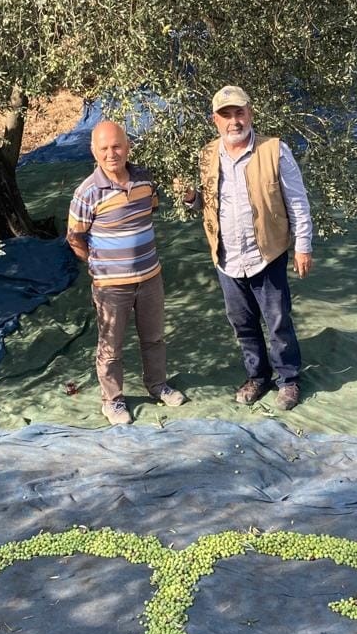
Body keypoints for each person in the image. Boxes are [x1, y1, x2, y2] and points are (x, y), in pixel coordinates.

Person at [182, 85, 313, 410]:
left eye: (239, 112)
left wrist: (303, 245)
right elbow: (204, 205)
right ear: (215, 120)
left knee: (278, 320)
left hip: (265, 255)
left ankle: (289, 379)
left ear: (250, 113)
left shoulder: (274, 150)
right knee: (242, 323)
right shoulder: (206, 155)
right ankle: (257, 376)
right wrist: (190, 198)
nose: (234, 121)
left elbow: (297, 201)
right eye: (226, 115)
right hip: (227, 258)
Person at [66, 120, 185, 425]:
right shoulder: (87, 193)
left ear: (128, 146)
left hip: (149, 277)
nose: (111, 153)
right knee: (111, 346)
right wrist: (97, 267)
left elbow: (149, 211)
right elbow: (74, 237)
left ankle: (157, 385)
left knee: (154, 337)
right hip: (111, 286)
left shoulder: (145, 181)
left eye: (117, 146)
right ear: (94, 151)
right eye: (104, 148)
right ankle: (113, 400)